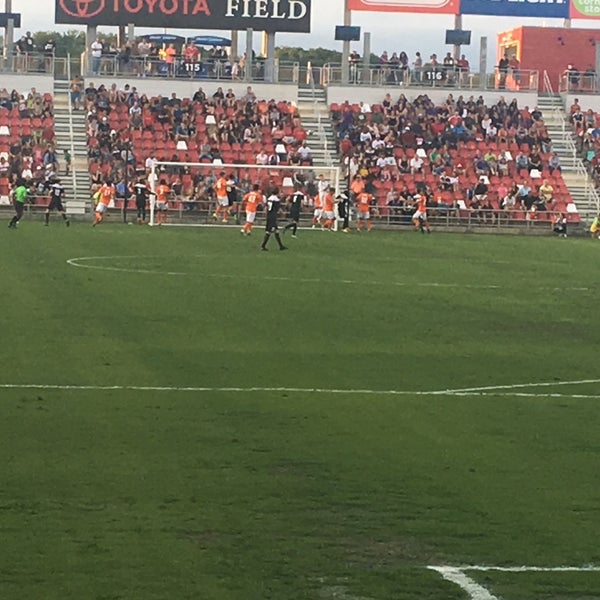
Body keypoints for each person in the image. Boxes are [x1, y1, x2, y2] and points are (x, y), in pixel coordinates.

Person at [260, 187, 287, 251]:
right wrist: (283, 214)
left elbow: (266, 208)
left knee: (275, 231)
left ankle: (281, 246)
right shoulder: (276, 200)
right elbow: (278, 209)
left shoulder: (269, 198)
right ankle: (263, 246)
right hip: (273, 216)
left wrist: (265, 214)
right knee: (269, 232)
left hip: (269, 216)